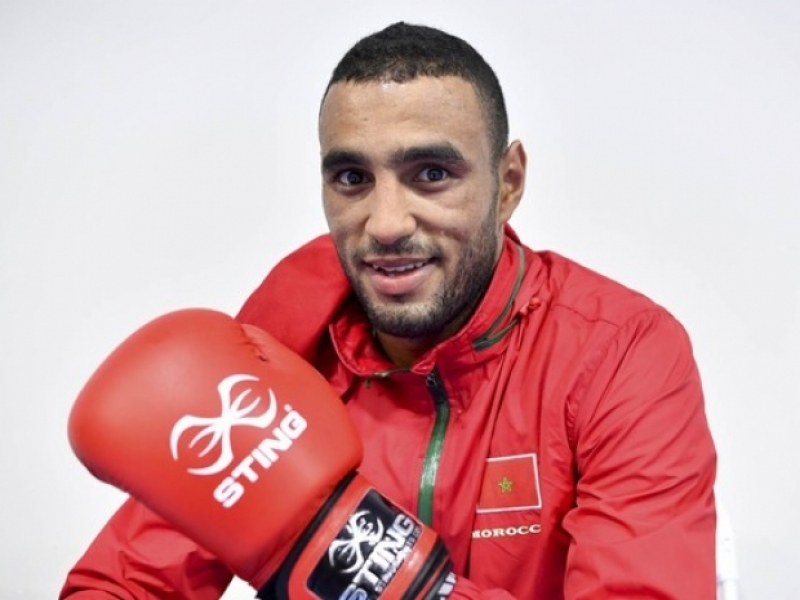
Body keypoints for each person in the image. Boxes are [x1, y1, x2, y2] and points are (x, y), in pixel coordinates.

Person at [60, 22, 717, 600]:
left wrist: (352, 561)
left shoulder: (620, 351)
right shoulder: (284, 345)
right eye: (352, 179)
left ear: (508, 182)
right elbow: (120, 584)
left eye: (431, 173)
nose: (385, 223)